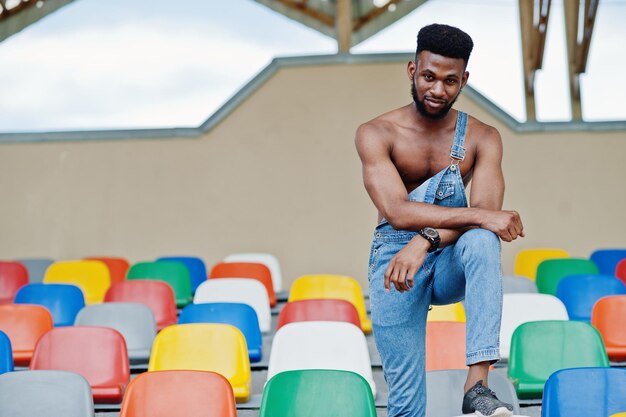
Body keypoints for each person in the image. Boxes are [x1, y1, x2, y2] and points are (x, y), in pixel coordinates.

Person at [355, 23, 524, 417]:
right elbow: (396, 211)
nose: (437, 90)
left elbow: (484, 229)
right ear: (412, 70)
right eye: (429, 76)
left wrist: (426, 239)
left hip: (447, 256)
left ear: (463, 80)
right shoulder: (376, 133)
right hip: (395, 264)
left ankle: (478, 384)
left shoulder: (483, 138)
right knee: (407, 404)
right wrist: (483, 215)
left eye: (450, 81)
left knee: (483, 241)